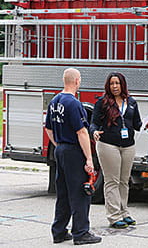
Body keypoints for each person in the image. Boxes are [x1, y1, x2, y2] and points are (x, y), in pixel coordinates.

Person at [45, 68, 102, 245]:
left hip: (60, 150)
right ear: (77, 81)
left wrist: (59, 146)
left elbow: (48, 128)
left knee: (63, 192)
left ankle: (59, 231)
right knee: (80, 192)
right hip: (73, 151)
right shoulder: (74, 103)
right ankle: (81, 232)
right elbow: (82, 132)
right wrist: (89, 158)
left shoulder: (54, 101)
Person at [90, 72, 142, 229]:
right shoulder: (102, 103)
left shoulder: (131, 102)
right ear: (108, 86)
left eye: (117, 83)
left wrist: (142, 125)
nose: (115, 87)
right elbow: (93, 123)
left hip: (128, 145)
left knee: (124, 181)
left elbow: (137, 123)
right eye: (112, 84)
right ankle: (114, 216)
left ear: (123, 85)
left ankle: (124, 212)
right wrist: (94, 132)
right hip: (108, 145)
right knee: (112, 180)